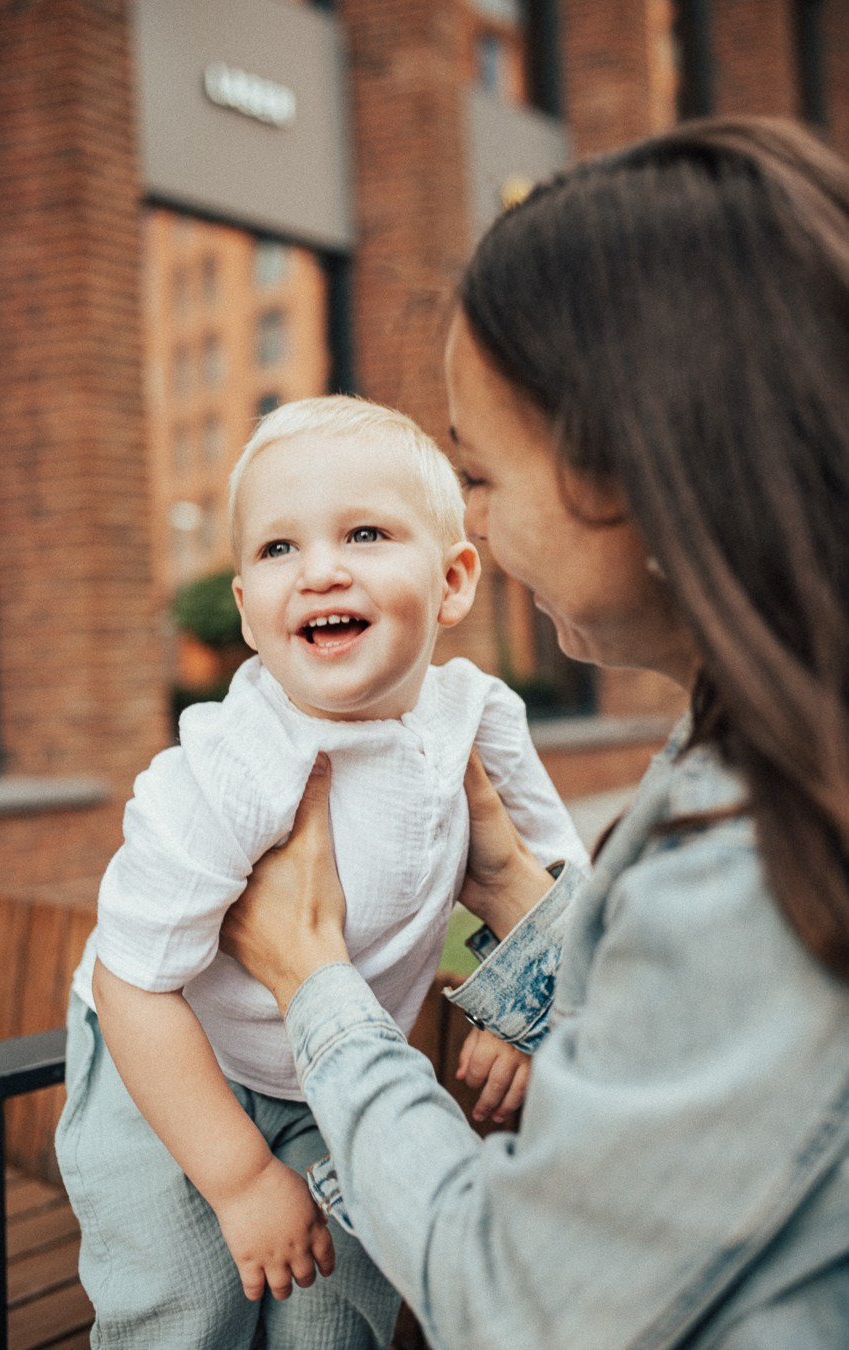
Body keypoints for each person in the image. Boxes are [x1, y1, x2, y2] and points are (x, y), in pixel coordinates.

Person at [218, 117, 849, 1349]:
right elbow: (692, 1059)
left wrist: (314, 986)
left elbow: (516, 1299)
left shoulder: (756, 866)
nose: (482, 541)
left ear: (631, 469)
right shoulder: (760, 753)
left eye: (483, 478)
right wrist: (513, 886)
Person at [54, 394, 588, 1349]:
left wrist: (526, 1005)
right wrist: (238, 1179)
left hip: (334, 1071)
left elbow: (549, 869)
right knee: (185, 1311)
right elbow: (132, 982)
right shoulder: (232, 766)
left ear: (453, 581)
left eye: (365, 534)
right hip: (173, 1067)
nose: (319, 571)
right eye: (278, 548)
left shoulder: (474, 715)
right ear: (247, 613)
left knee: (337, 1315)